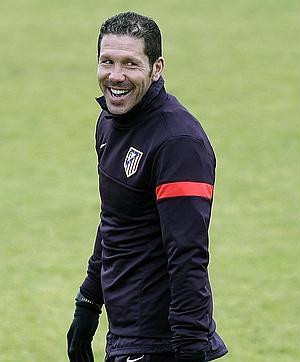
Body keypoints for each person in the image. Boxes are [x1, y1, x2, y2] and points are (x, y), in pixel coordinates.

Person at [66, 12, 227, 362]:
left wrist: (190, 351)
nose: (115, 76)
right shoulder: (110, 123)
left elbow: (187, 255)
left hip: (160, 343)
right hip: (124, 336)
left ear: (156, 68)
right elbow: (115, 220)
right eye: (106, 62)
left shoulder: (178, 143)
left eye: (130, 63)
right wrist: (88, 304)